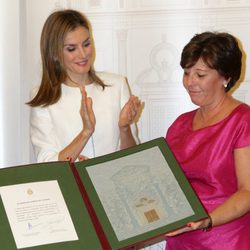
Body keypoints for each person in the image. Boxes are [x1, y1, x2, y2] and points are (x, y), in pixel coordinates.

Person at [165, 31, 250, 249]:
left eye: (200, 75)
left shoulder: (243, 121)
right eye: (186, 73)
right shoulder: (179, 125)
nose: (190, 82)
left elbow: (248, 192)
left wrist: (207, 220)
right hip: (180, 239)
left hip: (225, 240)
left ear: (226, 77)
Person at [27, 9, 141, 162]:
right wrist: (86, 132)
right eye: (71, 48)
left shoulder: (117, 85)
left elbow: (134, 159)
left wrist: (125, 128)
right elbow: (47, 164)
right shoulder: (43, 99)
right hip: (70, 186)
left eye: (86, 44)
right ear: (55, 53)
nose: (82, 54)